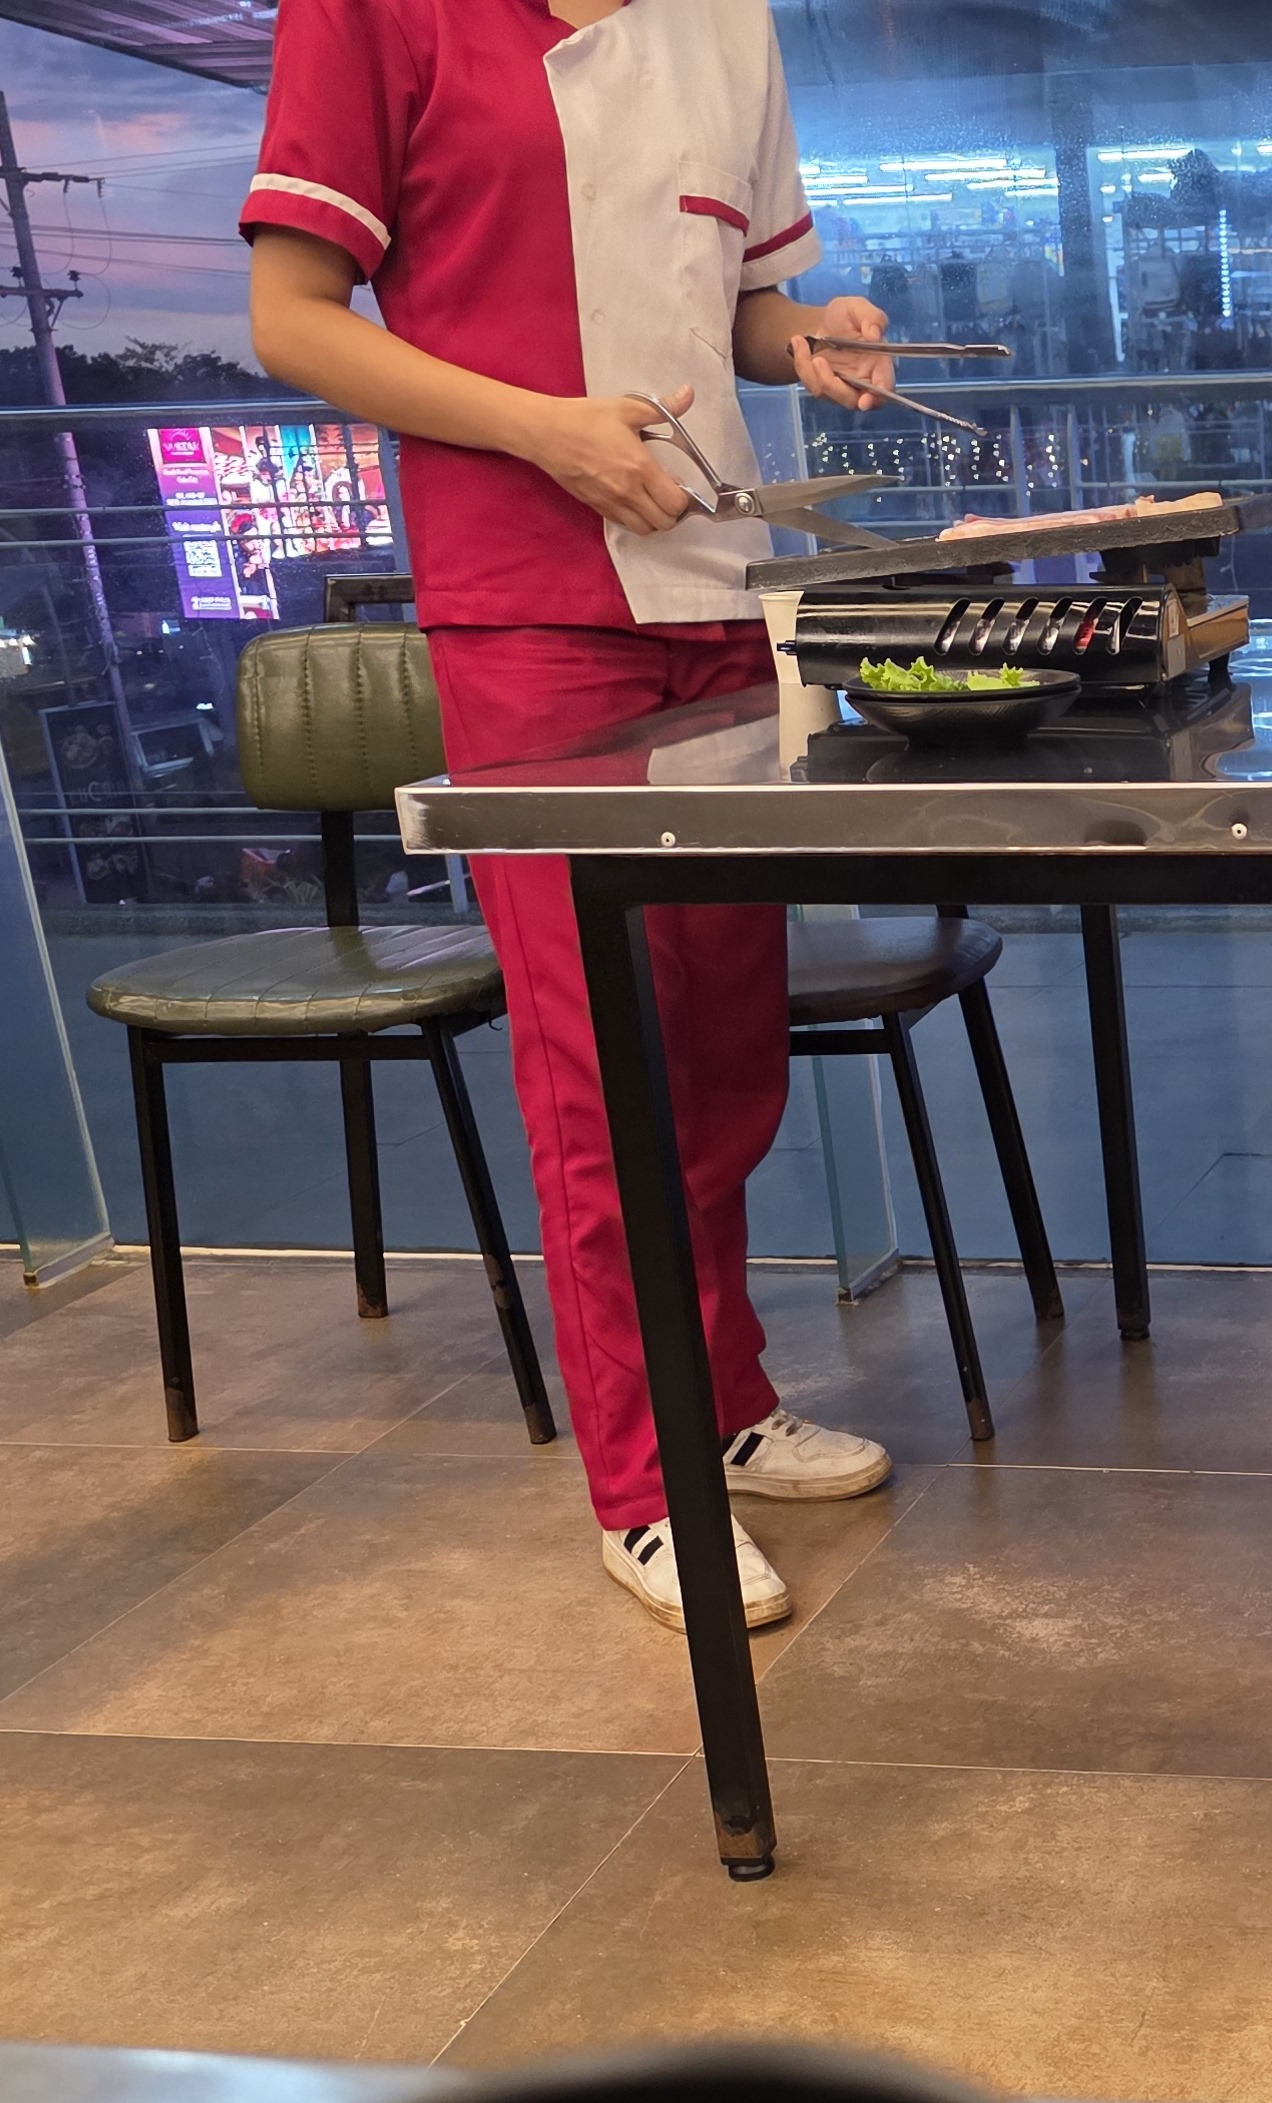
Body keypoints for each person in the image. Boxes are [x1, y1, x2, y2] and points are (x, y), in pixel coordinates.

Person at [240, 0, 899, 1631]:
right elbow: (294, 320)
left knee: (727, 1043)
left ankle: (724, 1398)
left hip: (717, 578)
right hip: (527, 602)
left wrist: (810, 336)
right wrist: (542, 427)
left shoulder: (726, 24)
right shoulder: (378, 13)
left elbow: (735, 309)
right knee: (599, 1065)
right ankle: (645, 1477)